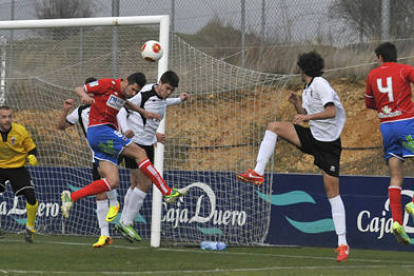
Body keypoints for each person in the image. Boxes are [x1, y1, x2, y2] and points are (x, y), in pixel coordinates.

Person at [236, 52, 349, 262]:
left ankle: (343, 244)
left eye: (299, 67)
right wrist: (298, 106)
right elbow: (307, 113)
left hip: (329, 145)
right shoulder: (307, 88)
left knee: (332, 192)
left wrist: (306, 115)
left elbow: (331, 111)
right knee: (274, 127)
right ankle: (257, 172)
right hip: (313, 136)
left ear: (303, 68)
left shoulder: (321, 83)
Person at [60, 72, 185, 223]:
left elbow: (126, 102)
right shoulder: (107, 83)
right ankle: (166, 191)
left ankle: (71, 197)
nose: (133, 93)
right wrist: (84, 95)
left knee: (112, 182)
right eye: (132, 89)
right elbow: (80, 88)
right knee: (140, 152)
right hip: (101, 130)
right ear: (126, 81)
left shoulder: (123, 94)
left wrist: (143, 112)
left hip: (101, 137)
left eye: (136, 92)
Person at [116, 70, 189, 242]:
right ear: (160, 83)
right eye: (167, 88)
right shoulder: (144, 93)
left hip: (148, 144)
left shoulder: (162, 97)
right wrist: (126, 129)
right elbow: (121, 107)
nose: (168, 92)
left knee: (135, 183)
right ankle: (127, 222)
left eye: (172, 90)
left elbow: (162, 103)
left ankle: (123, 222)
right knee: (146, 183)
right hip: (135, 144)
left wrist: (179, 100)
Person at [57, 77, 121, 248]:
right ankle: (105, 234)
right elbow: (61, 126)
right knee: (101, 193)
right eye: (90, 93)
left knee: (109, 182)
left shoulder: (111, 105)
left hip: (113, 149)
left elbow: (121, 124)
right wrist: (65, 110)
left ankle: (116, 208)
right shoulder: (81, 111)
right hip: (96, 155)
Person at [365, 42, 414, 245]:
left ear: (380, 57)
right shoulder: (405, 69)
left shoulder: (372, 75)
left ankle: (396, 222)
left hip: (386, 127)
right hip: (407, 123)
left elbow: (369, 103)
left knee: (395, 175)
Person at [0, 106, 39, 243]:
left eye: (9, 116)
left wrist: (33, 157)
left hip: (18, 167)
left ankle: (30, 228)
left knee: (31, 196)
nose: (7, 120)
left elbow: (32, 149)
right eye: (4, 117)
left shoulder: (20, 131)